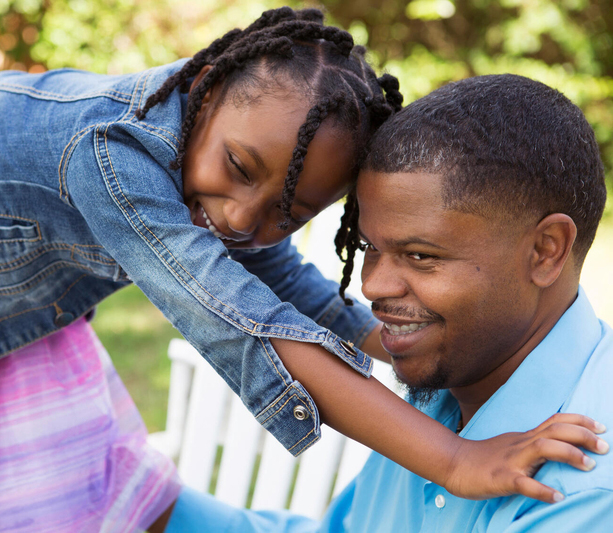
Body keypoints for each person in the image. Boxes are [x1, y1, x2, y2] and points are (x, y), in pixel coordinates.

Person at [0, 7, 604, 531]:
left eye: (288, 214)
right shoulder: (109, 154)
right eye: (238, 167)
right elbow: (239, 320)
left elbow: (280, 282)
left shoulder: (583, 483)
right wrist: (454, 460)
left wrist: (411, 342)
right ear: (206, 88)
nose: (240, 220)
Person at [160, 73, 612, 532]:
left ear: (546, 250)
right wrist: (149, 505)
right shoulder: (449, 379)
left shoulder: (586, 482)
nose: (372, 285)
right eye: (370, 248)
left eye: (420, 256)